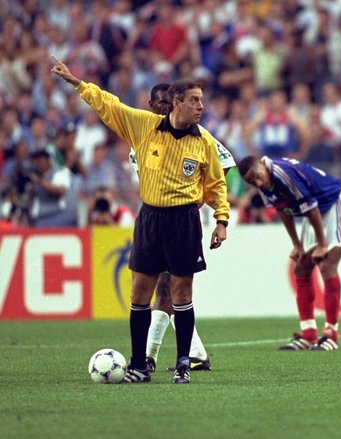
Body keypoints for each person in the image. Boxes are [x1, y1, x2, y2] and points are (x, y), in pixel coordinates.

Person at [51, 55, 230, 385]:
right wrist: (77, 83)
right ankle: (138, 365)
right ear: (176, 103)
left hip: (184, 219)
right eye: (194, 101)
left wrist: (221, 220)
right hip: (150, 218)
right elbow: (109, 105)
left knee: (181, 291)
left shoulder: (204, 141)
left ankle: (182, 365)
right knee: (139, 293)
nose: (201, 106)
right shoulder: (144, 127)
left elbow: (217, 183)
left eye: (202, 100)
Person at [137, 83, 236, 374]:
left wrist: (199, 198)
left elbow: (224, 163)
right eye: (159, 104)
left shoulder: (197, 136)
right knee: (164, 290)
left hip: (182, 220)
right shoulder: (146, 134)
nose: (164, 108)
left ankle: (154, 356)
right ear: (152, 105)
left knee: (171, 288)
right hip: (154, 219)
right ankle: (191, 354)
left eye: (168, 103)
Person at [238, 155, 341, 351]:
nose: (258, 183)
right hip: (317, 210)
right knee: (301, 267)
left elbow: (310, 209)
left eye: (258, 177)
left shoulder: (283, 174)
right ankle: (309, 335)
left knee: (327, 264)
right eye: (252, 182)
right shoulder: (264, 185)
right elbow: (282, 210)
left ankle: (331, 334)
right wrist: (297, 245)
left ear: (262, 164)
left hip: (337, 202)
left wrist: (322, 244)